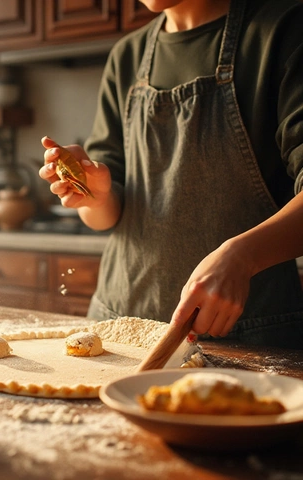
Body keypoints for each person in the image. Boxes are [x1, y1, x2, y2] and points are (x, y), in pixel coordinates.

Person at [39, 0, 303, 348]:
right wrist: (97, 194)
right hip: (121, 325)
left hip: (247, 336)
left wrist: (244, 256)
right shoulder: (126, 56)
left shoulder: (283, 31)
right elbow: (102, 217)